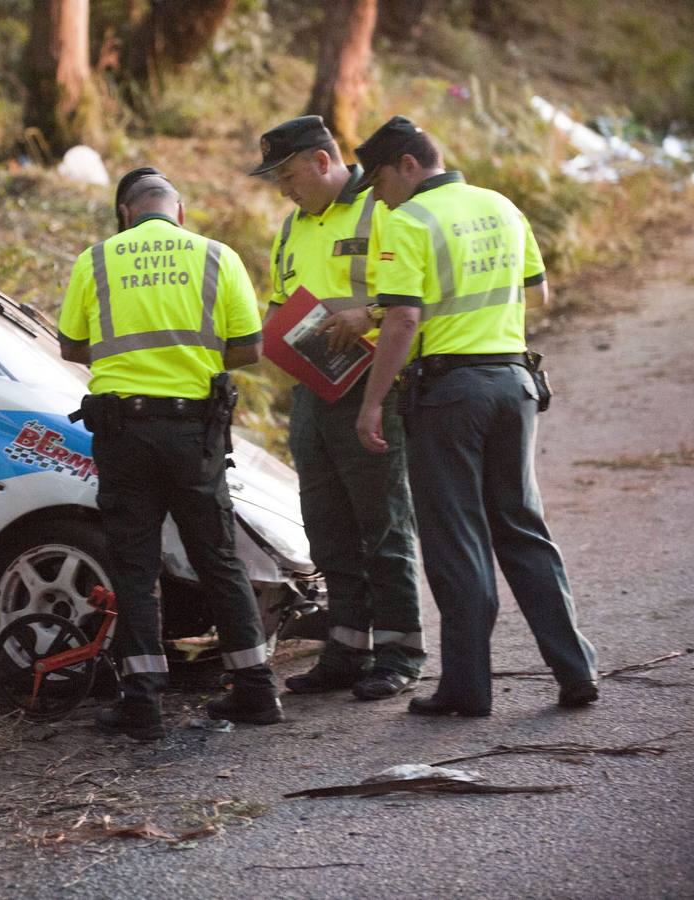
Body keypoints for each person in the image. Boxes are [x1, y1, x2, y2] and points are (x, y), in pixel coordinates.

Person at [353, 116, 599, 717]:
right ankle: (576, 669)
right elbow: (537, 291)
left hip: (450, 394)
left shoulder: (410, 221)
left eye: (380, 180)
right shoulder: (501, 205)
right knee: (521, 526)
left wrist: (373, 401)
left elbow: (404, 320)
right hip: (514, 383)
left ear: (408, 165)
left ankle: (466, 688)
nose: (378, 194)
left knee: (456, 538)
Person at [58, 167, 283, 741]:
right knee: (219, 557)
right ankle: (256, 689)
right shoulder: (217, 257)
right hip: (195, 434)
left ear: (126, 214)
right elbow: (251, 348)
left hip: (124, 432)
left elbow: (70, 344)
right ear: (178, 212)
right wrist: (189, 359)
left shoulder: (98, 259)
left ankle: (144, 703)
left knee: (135, 566)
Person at [250, 116, 425, 701]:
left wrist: (370, 313)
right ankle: (348, 650)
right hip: (312, 393)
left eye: (287, 173)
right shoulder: (290, 229)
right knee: (326, 527)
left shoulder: (383, 209)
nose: (282, 188)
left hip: (374, 388)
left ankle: (399, 651)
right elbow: (280, 304)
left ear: (321, 161)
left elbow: (417, 293)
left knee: (383, 524)